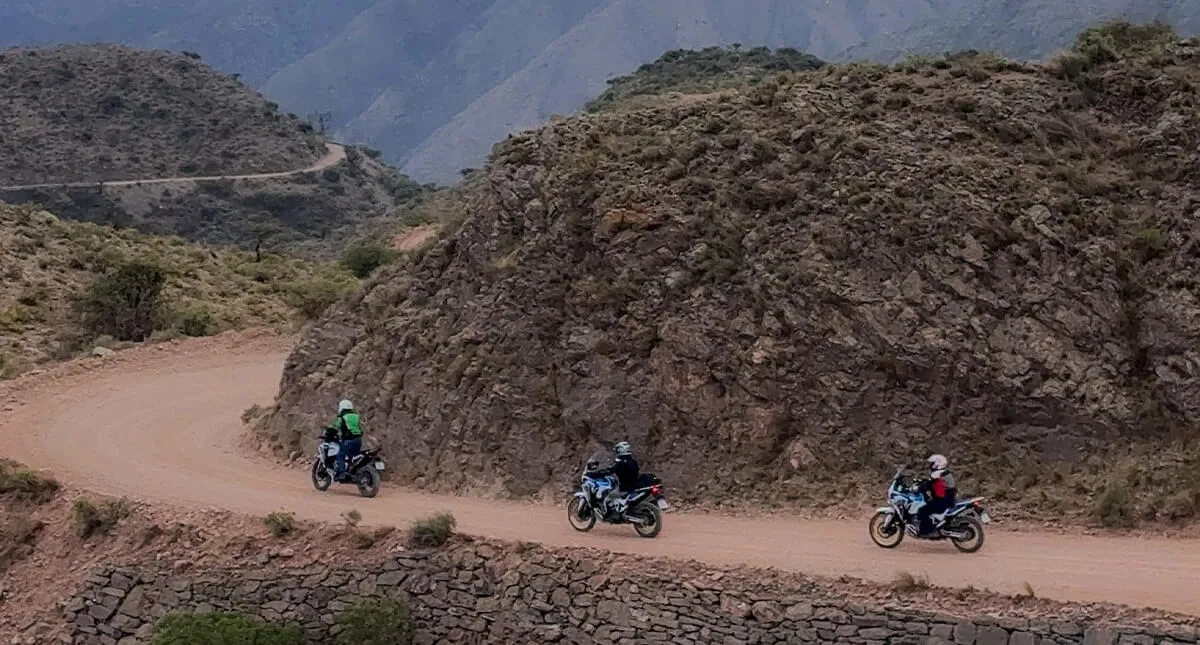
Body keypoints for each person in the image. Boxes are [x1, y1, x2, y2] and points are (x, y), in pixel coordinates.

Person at [592, 441, 640, 516]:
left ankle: (609, 514)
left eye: (618, 449)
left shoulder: (621, 463)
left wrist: (598, 473)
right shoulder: (633, 462)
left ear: (621, 450)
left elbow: (610, 470)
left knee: (608, 495)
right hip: (634, 486)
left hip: (624, 488)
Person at [915, 453, 957, 537]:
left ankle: (928, 531)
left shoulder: (936, 474)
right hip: (949, 500)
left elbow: (927, 485)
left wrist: (918, 487)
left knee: (922, 511)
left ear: (937, 464)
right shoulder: (946, 472)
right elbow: (932, 483)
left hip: (941, 502)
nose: (931, 465)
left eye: (932, 463)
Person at [331, 399, 363, 480]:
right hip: (358, 440)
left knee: (340, 455)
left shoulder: (342, 417)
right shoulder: (356, 416)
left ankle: (342, 474)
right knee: (352, 457)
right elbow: (360, 429)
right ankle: (351, 472)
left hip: (348, 440)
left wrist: (330, 432)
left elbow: (336, 427)